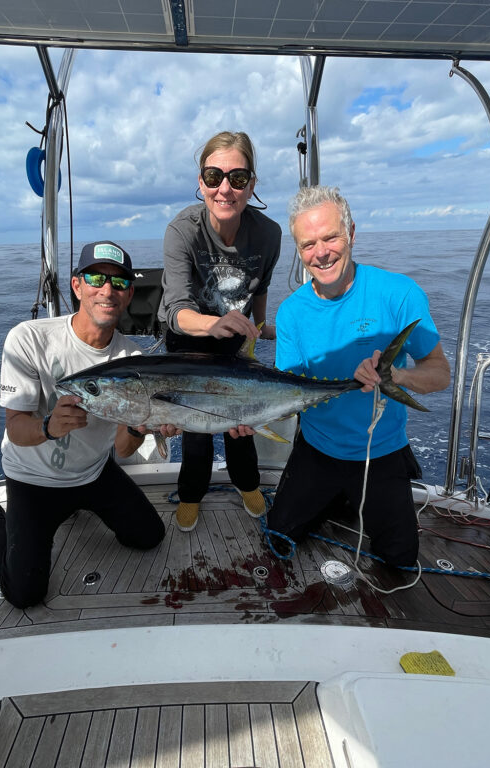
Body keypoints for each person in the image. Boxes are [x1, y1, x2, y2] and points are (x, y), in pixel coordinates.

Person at [0, 241, 172, 609]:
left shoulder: (131, 358)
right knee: (24, 594)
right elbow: (16, 429)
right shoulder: (29, 338)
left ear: (130, 293)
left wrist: (141, 425)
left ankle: (76, 506)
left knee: (149, 536)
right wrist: (48, 427)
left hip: (93, 473)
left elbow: (123, 448)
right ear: (77, 285)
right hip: (32, 479)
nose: (107, 290)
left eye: (119, 282)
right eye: (96, 278)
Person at [267, 186, 451, 567]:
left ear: (351, 232)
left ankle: (347, 496)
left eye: (330, 237)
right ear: (298, 251)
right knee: (278, 538)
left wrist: (396, 376)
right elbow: (288, 393)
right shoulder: (290, 313)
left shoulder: (398, 294)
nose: (321, 253)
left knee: (400, 560)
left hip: (380, 451)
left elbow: (440, 373)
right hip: (316, 448)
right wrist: (244, 416)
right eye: (308, 244)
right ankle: (337, 495)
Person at [158, 130, 282, 532]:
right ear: (201, 182)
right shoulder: (183, 230)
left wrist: (259, 334)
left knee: (240, 429)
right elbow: (176, 310)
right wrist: (214, 323)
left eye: (238, 178)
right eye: (214, 177)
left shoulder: (269, 233)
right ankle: (191, 493)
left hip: (235, 341)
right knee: (196, 432)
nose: (225, 188)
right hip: (188, 341)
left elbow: (259, 290)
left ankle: (247, 484)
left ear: (252, 184)